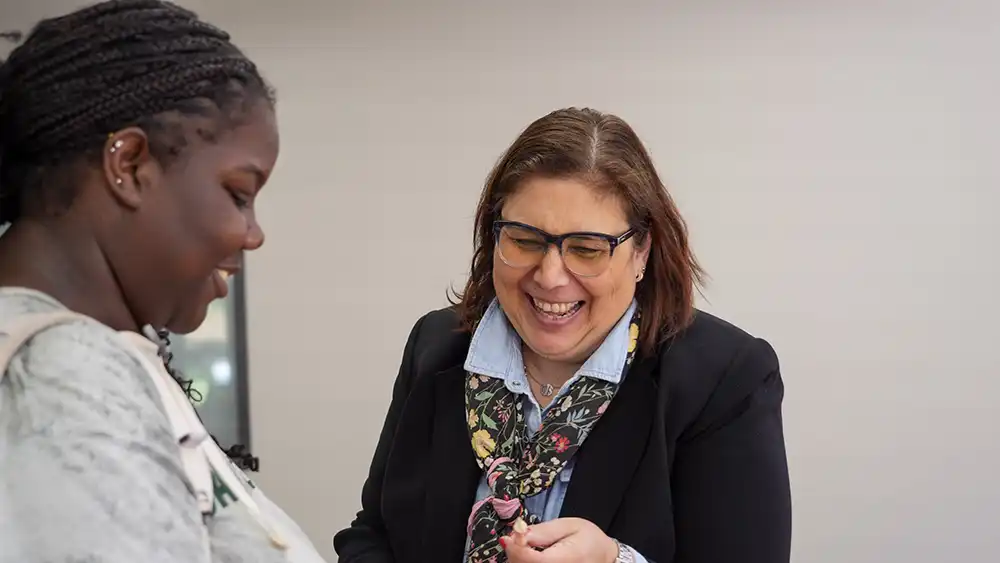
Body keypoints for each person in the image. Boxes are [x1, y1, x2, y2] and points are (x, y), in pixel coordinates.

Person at [333, 107, 792, 563]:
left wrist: (613, 561)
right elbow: (374, 535)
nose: (550, 277)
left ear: (641, 252)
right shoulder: (435, 345)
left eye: (587, 249)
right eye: (524, 240)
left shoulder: (725, 380)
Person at [0, 1, 326, 562]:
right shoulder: (63, 372)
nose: (252, 235)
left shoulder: (100, 360)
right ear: (128, 165)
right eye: (238, 195)